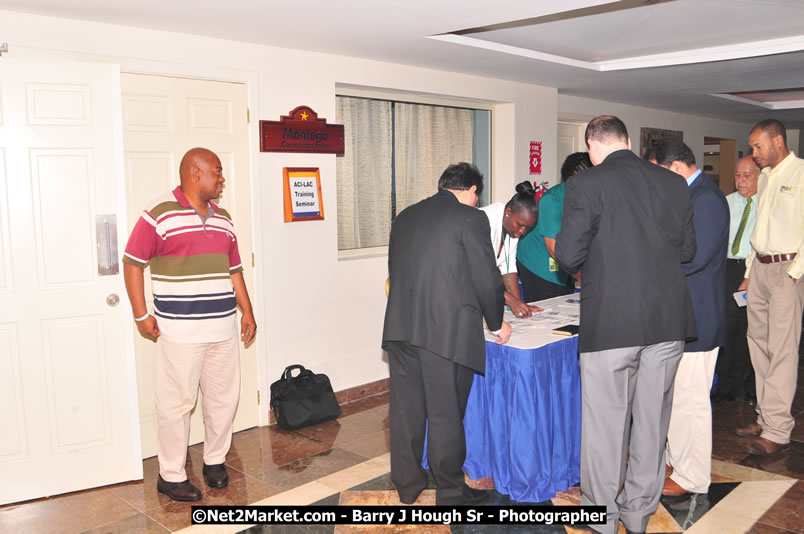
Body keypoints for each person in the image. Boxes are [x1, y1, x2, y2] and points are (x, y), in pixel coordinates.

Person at [555, 116, 696, 534]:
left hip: (612, 322)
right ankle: (637, 516)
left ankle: (601, 519)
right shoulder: (673, 182)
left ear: (591, 146)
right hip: (666, 322)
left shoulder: (586, 183)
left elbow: (568, 255)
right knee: (652, 424)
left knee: (606, 426)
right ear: (629, 141)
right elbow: (687, 250)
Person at [123, 147, 257, 502]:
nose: (222, 179)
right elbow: (132, 262)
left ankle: (215, 461)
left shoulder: (224, 218)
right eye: (217, 171)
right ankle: (170, 475)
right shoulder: (159, 213)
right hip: (180, 333)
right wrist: (141, 314)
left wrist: (247, 311)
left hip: (223, 329)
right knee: (176, 405)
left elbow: (234, 270)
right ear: (196, 173)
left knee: (223, 400)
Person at [382, 162, 511, 506]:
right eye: (477, 195)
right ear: (471, 190)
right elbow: (486, 278)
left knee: (406, 412)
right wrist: (496, 322)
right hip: (445, 333)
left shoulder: (406, 216)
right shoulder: (471, 218)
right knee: (445, 414)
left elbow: (395, 270)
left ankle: (407, 486)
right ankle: (451, 493)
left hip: (401, 328)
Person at [648, 140, 729, 497]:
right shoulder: (689, 195)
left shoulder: (707, 199)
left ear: (676, 168)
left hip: (699, 316)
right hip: (681, 314)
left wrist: (651, 262)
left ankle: (692, 475)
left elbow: (695, 258)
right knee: (676, 396)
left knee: (691, 400)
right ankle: (675, 458)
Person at [735, 119, 804, 456]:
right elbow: (758, 229)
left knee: (782, 350)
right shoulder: (765, 177)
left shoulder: (800, 174)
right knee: (759, 346)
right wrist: (750, 271)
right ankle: (765, 418)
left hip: (786, 270)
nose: (754, 153)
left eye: (758, 146)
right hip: (760, 268)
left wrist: (796, 272)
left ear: (778, 141)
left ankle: (778, 430)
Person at [711, 155, 760, 406]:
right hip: (728, 269)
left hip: (757, 269)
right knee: (728, 329)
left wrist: (750, 276)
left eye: (747, 175)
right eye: (737, 175)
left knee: (755, 331)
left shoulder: (768, 204)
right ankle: (726, 385)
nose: (741, 181)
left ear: (760, 176)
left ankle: (753, 387)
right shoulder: (727, 202)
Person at [517, 152, 591, 303]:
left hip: (566, 263)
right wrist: (586, 279)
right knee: (550, 307)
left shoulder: (590, 198)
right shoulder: (552, 200)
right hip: (539, 262)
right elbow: (554, 249)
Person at [479, 181, 541, 318]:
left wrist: (520, 304)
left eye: (527, 228)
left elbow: (508, 268)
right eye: (520, 225)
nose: (523, 231)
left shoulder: (512, 228)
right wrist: (510, 300)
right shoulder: (483, 221)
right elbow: (478, 274)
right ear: (508, 213)